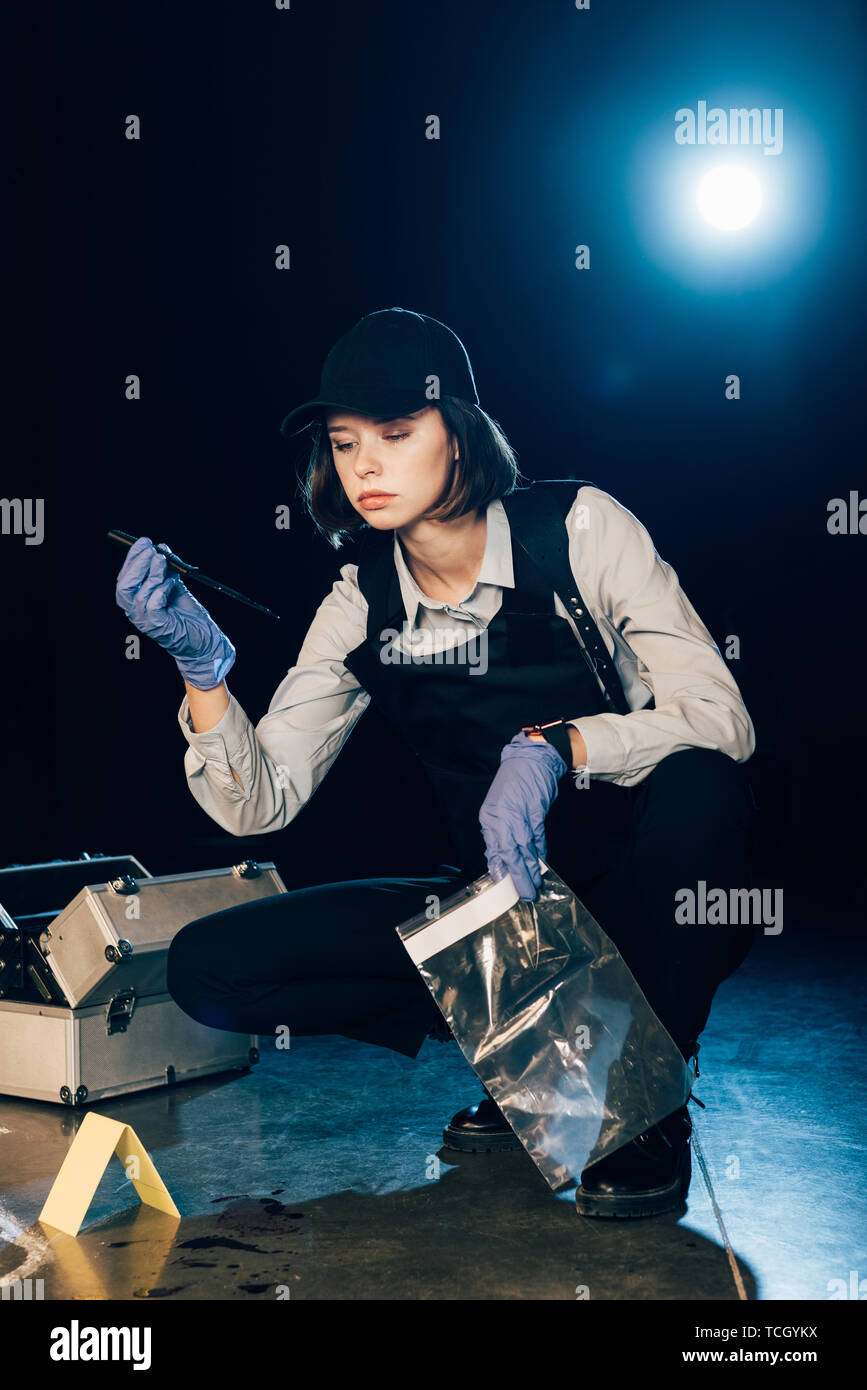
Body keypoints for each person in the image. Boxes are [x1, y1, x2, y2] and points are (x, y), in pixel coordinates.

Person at [114, 306, 759, 1219]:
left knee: (707, 787)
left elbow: (719, 718)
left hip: (637, 894)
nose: (364, 465)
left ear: (458, 435)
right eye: (344, 442)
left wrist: (558, 746)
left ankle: (639, 1106)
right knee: (210, 966)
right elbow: (261, 803)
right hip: (501, 911)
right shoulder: (360, 599)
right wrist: (203, 672)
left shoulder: (577, 530)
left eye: (395, 432)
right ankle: (532, 1060)